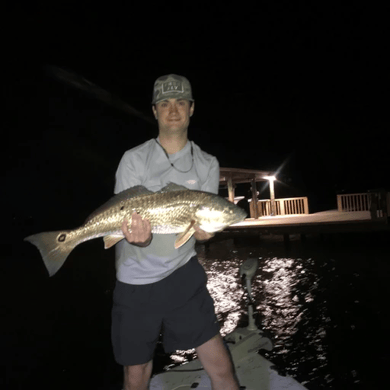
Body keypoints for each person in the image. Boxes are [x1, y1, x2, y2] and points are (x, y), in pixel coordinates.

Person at [112, 74, 240, 390]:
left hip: (183, 276)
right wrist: (138, 235)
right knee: (136, 374)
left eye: (180, 102)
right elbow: (123, 218)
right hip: (135, 280)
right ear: (154, 111)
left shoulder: (207, 163)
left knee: (221, 366)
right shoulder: (133, 159)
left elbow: (198, 232)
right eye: (165, 103)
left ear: (191, 108)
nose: (173, 110)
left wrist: (206, 233)